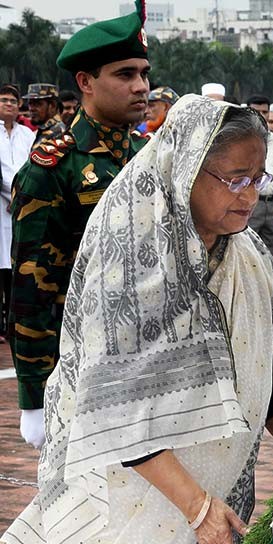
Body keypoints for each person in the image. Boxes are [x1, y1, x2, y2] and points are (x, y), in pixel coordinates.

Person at [1, 94, 273, 544]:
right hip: (138, 497)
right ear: (187, 171)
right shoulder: (133, 259)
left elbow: (265, 364)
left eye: (257, 179)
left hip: (219, 485)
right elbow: (115, 408)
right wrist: (196, 507)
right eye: (234, 178)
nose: (249, 195)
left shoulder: (247, 253)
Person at [9, 3, 150, 449]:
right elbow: (32, 288)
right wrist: (34, 396)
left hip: (150, 358)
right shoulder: (54, 167)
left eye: (144, 74)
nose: (141, 86)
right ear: (86, 83)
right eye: (125, 74)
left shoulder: (150, 154)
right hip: (85, 364)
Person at [0, 84, 36, 343]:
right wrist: (11, 194)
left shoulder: (28, 134)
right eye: (3, 100)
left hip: (22, 206)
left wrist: (22, 195)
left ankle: (14, 323)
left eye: (13, 100)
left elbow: (31, 168)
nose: (9, 104)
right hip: (2, 205)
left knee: (17, 267)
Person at [245, 95, 273, 255]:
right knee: (248, 248)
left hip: (271, 203)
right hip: (251, 202)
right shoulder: (241, 138)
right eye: (257, 111)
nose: (261, 115)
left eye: (265, 112)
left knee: (269, 251)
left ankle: (267, 280)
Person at [24, 83, 67, 148]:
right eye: (30, 103)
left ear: (52, 106)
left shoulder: (58, 133)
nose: (31, 109)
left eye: (37, 104)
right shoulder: (45, 130)